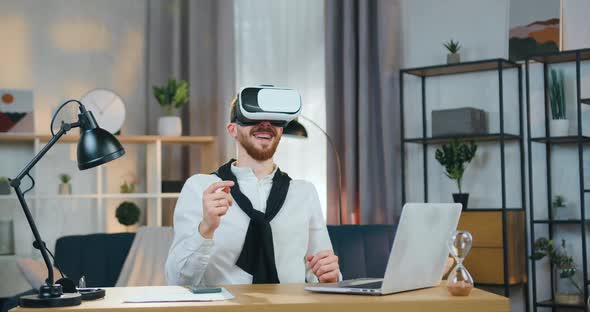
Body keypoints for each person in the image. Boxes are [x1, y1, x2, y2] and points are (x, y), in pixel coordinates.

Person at [165, 96, 340, 286]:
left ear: (281, 130)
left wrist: (330, 277)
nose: (265, 124)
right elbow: (177, 281)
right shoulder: (200, 188)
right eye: (253, 117)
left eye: (274, 119)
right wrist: (206, 227)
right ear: (232, 129)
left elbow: (324, 273)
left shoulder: (305, 193)